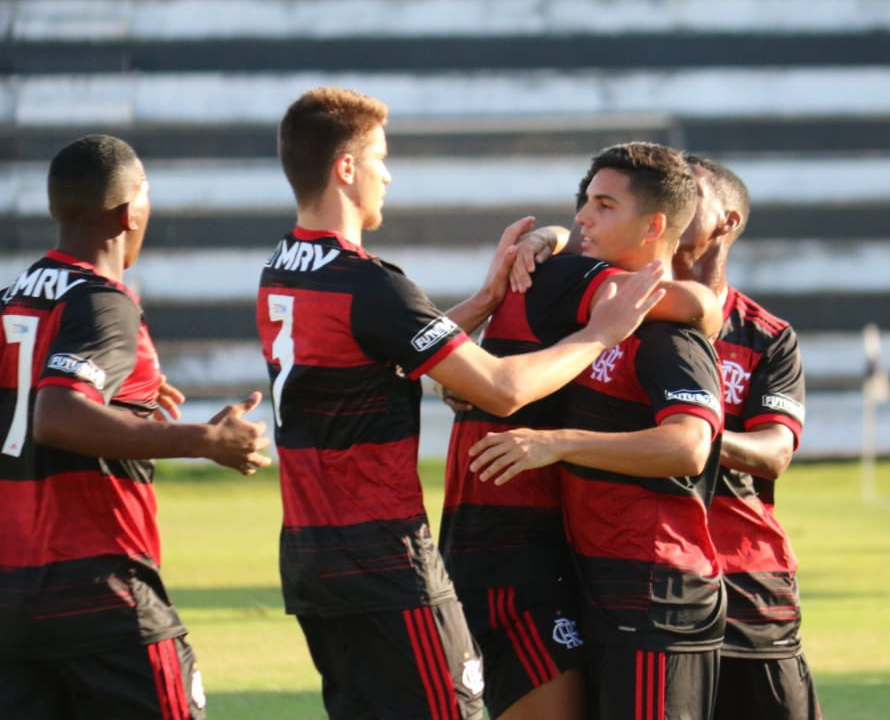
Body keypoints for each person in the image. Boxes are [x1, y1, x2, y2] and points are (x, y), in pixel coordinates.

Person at [258, 88, 664, 720]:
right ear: (346, 168)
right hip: (385, 562)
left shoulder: (284, 269)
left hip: (312, 562)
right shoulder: (369, 282)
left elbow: (377, 353)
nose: (386, 175)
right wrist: (599, 334)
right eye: (380, 158)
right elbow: (499, 390)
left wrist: (480, 301)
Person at [0, 134, 271, 719]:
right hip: (101, 588)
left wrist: (128, 396)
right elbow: (58, 414)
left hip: (11, 596)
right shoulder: (104, 302)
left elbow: (33, 401)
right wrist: (206, 440)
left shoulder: (12, 301)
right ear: (130, 213)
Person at [470, 142, 726, 719]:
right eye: (585, 202)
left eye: (604, 206)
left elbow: (688, 446)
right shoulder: (583, 312)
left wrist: (555, 444)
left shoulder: (670, 336)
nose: (584, 215)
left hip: (656, 585)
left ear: (653, 225)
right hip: (595, 576)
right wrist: (548, 236)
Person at [674, 154, 821, 720]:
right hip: (647, 574)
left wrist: (688, 438)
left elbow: (774, 452)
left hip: (748, 575)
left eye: (690, 196)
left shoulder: (767, 336)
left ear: (726, 222)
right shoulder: (613, 315)